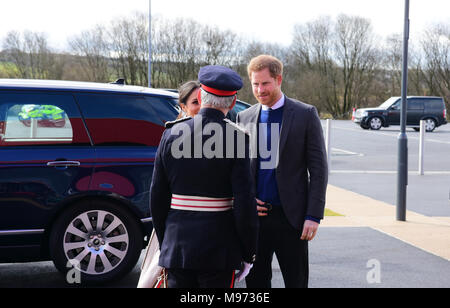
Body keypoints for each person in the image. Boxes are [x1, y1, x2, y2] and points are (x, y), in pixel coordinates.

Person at [150, 65, 259, 288]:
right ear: (232, 101)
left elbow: (157, 198)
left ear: (200, 95)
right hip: (219, 250)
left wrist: (166, 243)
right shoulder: (236, 138)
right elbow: (244, 204)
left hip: (177, 246)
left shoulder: (171, 133)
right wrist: (248, 253)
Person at [236, 55, 328, 288]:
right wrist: (244, 202)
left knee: (296, 282)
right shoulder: (244, 117)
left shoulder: (305, 114)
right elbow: (238, 171)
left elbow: (318, 169)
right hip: (256, 220)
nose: (259, 90)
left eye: (265, 83)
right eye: (255, 84)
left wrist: (313, 215)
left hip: (293, 220)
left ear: (279, 80)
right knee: (256, 284)